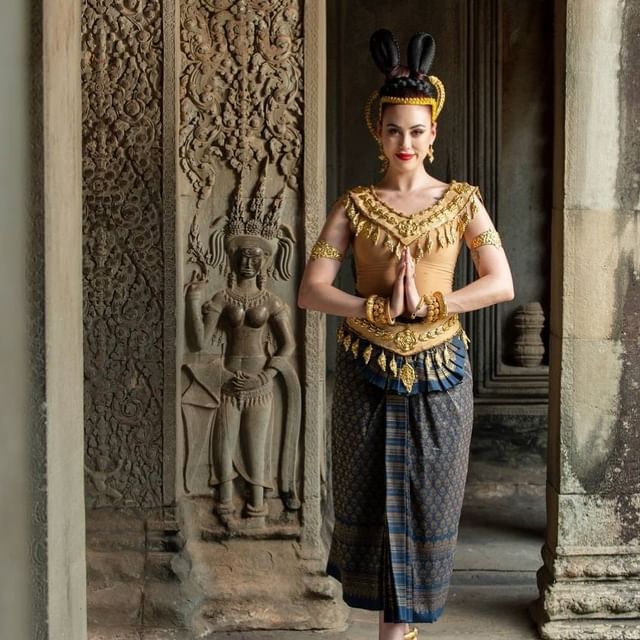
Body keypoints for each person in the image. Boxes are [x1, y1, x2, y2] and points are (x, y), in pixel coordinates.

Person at [298, 29, 514, 640]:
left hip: (442, 365)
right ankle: (394, 625)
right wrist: (373, 307)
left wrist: (435, 305)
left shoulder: (462, 201)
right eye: (395, 130)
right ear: (379, 132)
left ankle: (402, 629)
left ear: (433, 134)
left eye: (417, 131)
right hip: (368, 364)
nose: (405, 143)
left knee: (430, 493)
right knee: (369, 490)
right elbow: (312, 290)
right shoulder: (355, 204)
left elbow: (500, 283)